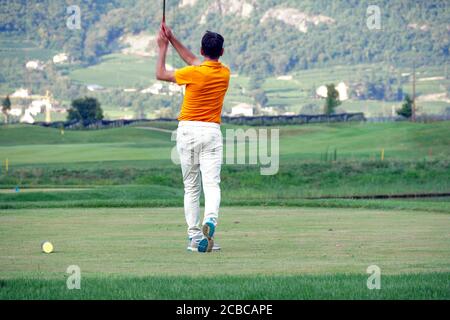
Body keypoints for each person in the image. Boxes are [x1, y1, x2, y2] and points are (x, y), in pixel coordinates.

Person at [156, 23, 230, 253]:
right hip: (210, 132)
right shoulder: (225, 73)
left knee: (191, 187)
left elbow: (160, 74)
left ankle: (194, 237)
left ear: (201, 51)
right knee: (211, 183)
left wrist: (162, 47)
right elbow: (193, 60)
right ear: (222, 52)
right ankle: (211, 221)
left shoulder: (193, 72)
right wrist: (172, 37)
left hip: (187, 131)